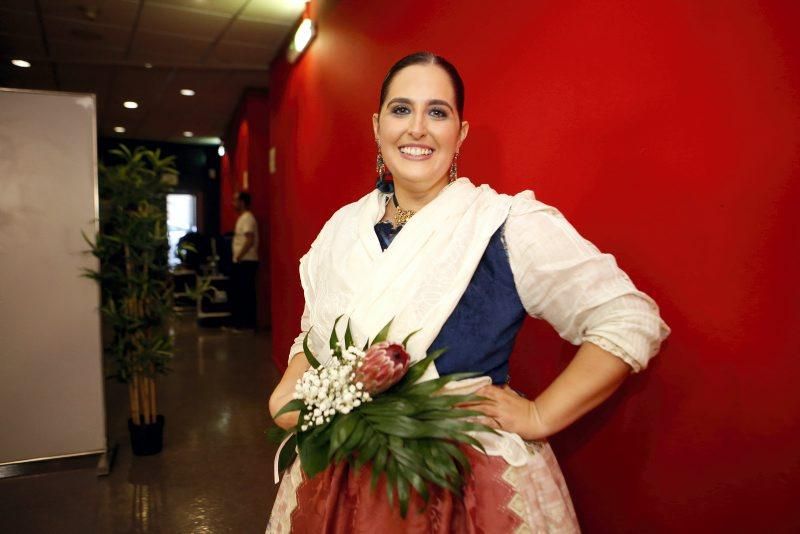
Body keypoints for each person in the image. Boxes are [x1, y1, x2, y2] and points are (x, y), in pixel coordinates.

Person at [266, 52, 670, 533]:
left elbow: (629, 319)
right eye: (401, 110)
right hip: (338, 479)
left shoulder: (503, 225)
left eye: (437, 112)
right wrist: (291, 395)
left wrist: (540, 414)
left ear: (460, 133)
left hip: (464, 488)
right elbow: (317, 334)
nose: (417, 128)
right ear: (377, 126)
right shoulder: (341, 230)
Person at [229, 191, 259, 331]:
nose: (233, 203)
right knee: (242, 293)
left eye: (236, 200)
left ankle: (247, 324)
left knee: (246, 293)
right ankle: (242, 323)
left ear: (242, 202)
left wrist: (238, 257)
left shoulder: (247, 218)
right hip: (243, 261)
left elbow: (249, 239)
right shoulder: (243, 218)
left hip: (247, 261)